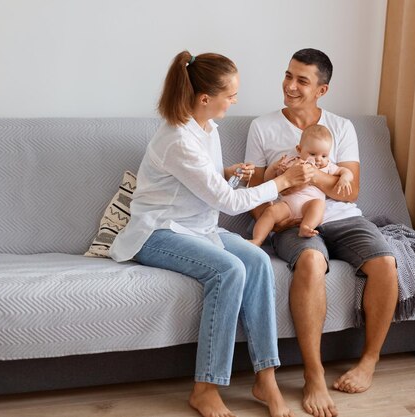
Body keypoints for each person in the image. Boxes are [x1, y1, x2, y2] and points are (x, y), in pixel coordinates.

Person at [110, 50, 314, 417]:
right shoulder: (177, 139)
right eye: (231, 95)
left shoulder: (207, 128)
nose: (236, 101)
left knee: (258, 261)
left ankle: (265, 377)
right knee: (229, 270)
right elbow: (229, 204)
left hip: (197, 229)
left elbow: (204, 184)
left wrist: (227, 172)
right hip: (156, 233)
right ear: (205, 98)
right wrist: (281, 181)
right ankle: (205, 387)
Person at [245, 48, 399, 417]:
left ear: (321, 90)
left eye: (302, 80)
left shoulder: (341, 127)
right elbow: (252, 193)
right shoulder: (262, 126)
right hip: (291, 219)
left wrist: (313, 175)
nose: (290, 86)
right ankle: (313, 374)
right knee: (312, 262)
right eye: (288, 75)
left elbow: (350, 190)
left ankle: (368, 362)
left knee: (385, 262)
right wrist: (275, 211)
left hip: (344, 217)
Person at [249, 124, 353, 246]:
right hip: (287, 205)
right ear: (299, 150)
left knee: (319, 205)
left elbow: (345, 171)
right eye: (313, 154)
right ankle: (257, 239)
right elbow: (269, 180)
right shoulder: (292, 162)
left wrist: (345, 178)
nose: (319, 159)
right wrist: (274, 168)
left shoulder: (328, 166)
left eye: (324, 155)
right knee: (270, 212)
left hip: (309, 205)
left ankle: (306, 227)